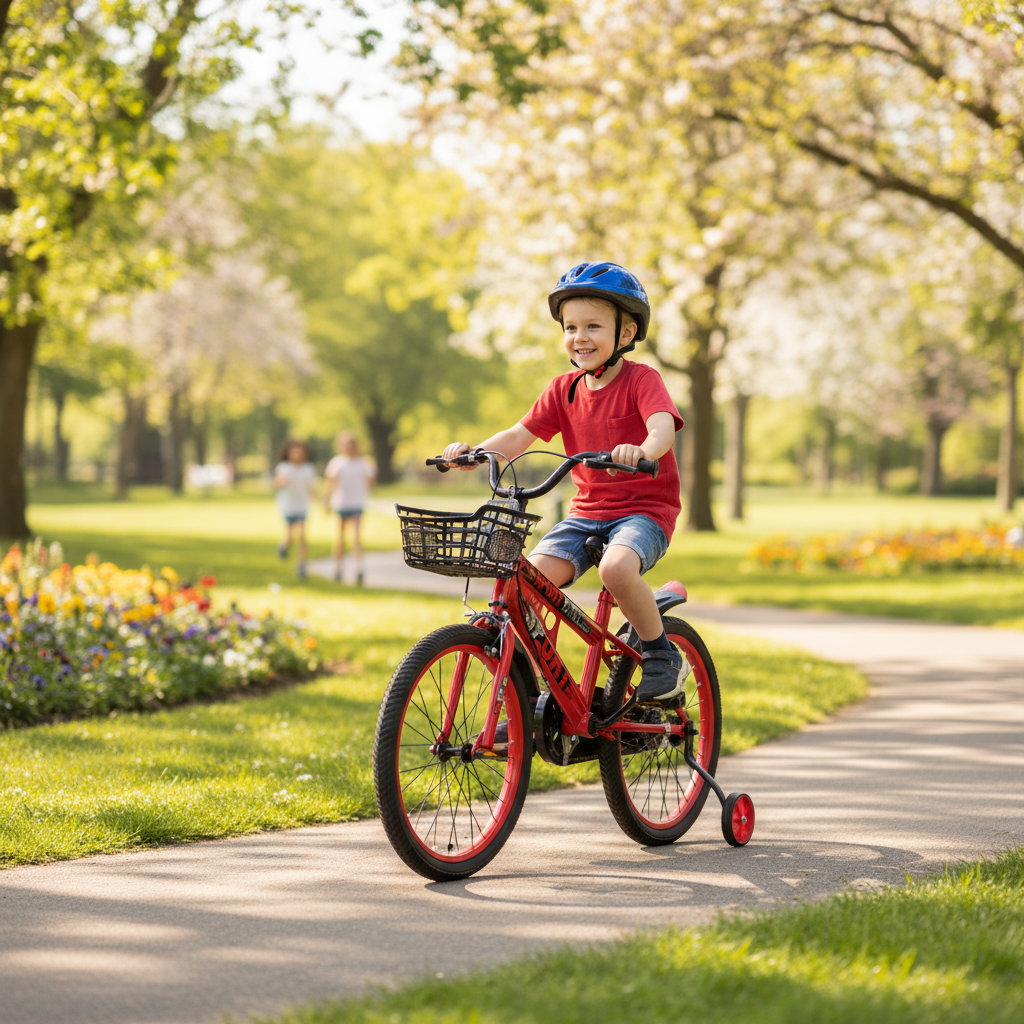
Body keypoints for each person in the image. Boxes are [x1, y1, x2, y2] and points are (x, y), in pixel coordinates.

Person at [443, 261, 686, 704]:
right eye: (571, 327)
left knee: (615, 569)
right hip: (586, 514)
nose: (580, 337)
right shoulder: (564, 389)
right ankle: (536, 698)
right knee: (523, 586)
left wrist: (642, 452)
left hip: (643, 512)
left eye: (593, 325)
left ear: (626, 334)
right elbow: (519, 435)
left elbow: (662, 428)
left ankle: (660, 655)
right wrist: (476, 452)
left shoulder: (641, 379)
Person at [323, 431, 376, 584]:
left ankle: (359, 569)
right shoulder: (336, 463)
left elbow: (371, 483)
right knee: (340, 538)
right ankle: (338, 568)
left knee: (356, 538)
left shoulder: (364, 463)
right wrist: (326, 501)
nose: (350, 448)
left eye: (352, 445)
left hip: (357, 504)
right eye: (347, 445)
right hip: (341, 504)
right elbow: (330, 484)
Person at [273, 439, 317, 579]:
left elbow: (311, 489)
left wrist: (321, 501)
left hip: (302, 506)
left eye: (301, 452)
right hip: (287, 506)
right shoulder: (284, 467)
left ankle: (302, 565)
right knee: (290, 536)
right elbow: (276, 482)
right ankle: (284, 547)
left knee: (303, 536)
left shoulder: (308, 469)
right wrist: (282, 481)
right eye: (295, 452)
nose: (298, 455)